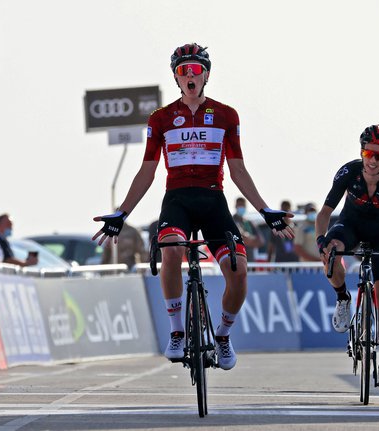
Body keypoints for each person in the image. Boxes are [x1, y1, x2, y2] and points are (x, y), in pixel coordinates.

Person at [93, 43, 294, 371]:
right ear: (176, 77)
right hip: (177, 200)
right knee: (171, 251)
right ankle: (176, 332)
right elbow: (147, 170)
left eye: (195, 70)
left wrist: (265, 211)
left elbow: (238, 169)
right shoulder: (160, 118)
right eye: (183, 70)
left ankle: (224, 335)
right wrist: (122, 213)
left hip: (213, 200)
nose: (190, 75)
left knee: (239, 273)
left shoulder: (227, 115)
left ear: (206, 75)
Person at [316, 124, 379, 390]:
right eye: (367, 153)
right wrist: (320, 241)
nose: (372, 160)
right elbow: (324, 213)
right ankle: (343, 298)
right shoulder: (349, 172)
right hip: (350, 225)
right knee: (333, 249)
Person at [233, 197, 264, 261]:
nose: (241, 207)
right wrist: (251, 239)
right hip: (237, 259)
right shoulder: (231, 221)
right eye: (240, 205)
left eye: (243, 205)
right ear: (236, 206)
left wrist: (247, 241)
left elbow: (261, 241)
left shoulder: (249, 223)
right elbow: (240, 238)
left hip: (250, 261)